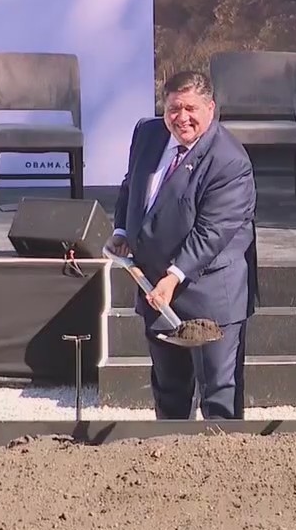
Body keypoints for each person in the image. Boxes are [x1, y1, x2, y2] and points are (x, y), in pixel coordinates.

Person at [105, 71, 257, 420]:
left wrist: (173, 277)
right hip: (155, 289)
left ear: (211, 108)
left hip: (210, 294)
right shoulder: (148, 133)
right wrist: (123, 233)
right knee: (168, 392)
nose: (181, 118)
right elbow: (133, 186)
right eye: (173, 108)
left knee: (219, 396)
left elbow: (212, 232)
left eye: (191, 108)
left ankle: (223, 469)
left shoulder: (229, 160)